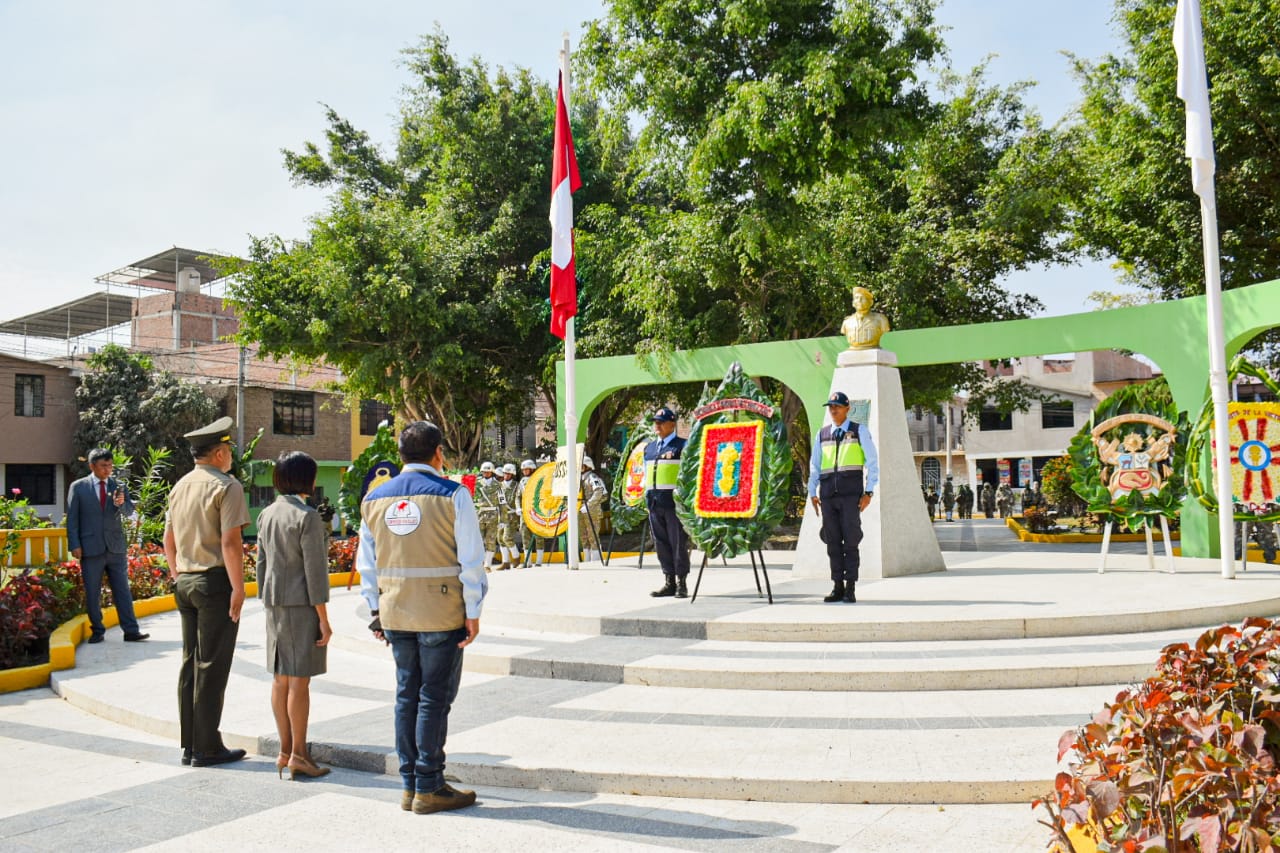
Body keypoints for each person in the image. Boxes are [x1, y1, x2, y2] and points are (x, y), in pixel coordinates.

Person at [356, 421, 487, 815]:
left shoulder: (375, 498)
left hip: (395, 612)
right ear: (438, 454)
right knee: (433, 697)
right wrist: (474, 610)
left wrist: (375, 611)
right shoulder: (453, 495)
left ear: (401, 456)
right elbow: (471, 560)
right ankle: (430, 785)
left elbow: (368, 564)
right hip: (441, 612)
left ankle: (410, 784)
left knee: (405, 695)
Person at [163, 416, 250, 767]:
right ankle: (208, 747)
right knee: (212, 665)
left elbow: (168, 540)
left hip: (184, 581)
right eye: (227, 451)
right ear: (217, 453)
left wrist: (177, 574)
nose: (230, 456)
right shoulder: (227, 486)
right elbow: (230, 542)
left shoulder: (180, 486)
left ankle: (190, 745)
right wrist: (239, 589)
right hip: (214, 582)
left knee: (190, 663)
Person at [256, 451, 332, 781]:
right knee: (299, 681)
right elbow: (315, 572)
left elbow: (260, 565)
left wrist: (267, 596)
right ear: (306, 479)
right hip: (301, 606)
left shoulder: (267, 514)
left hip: (274, 603)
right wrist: (324, 619)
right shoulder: (307, 516)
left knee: (280, 678)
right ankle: (299, 754)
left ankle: (285, 751)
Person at [66, 448, 148, 644]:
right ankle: (97, 630)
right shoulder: (79, 487)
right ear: (92, 466)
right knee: (93, 592)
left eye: (110, 466)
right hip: (90, 547)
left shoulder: (118, 486)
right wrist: (74, 544)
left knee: (123, 591)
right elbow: (72, 519)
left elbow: (129, 512)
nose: (108, 470)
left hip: (115, 548)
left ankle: (131, 631)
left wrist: (121, 504)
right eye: (104, 466)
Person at [808, 391, 879, 603]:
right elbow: (815, 466)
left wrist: (869, 492)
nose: (833, 410)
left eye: (837, 406)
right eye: (830, 406)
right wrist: (812, 492)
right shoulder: (822, 434)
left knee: (851, 541)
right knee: (832, 543)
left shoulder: (859, 432)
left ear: (847, 409)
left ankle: (850, 587)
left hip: (850, 497)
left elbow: (873, 463)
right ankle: (837, 585)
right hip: (828, 497)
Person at [644, 407, 690, 597]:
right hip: (654, 503)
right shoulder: (650, 448)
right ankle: (668, 580)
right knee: (661, 544)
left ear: (672, 424)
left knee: (678, 543)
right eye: (655, 422)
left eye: (661, 422)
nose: (657, 425)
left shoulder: (682, 446)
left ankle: (681, 582)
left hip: (673, 504)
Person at [515, 459, 545, 567]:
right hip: (525, 512)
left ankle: (539, 561)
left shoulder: (539, 479)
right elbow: (518, 497)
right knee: (525, 535)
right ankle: (528, 561)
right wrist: (518, 507)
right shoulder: (522, 481)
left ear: (532, 469)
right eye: (523, 470)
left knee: (538, 535)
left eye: (526, 469)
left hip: (536, 512)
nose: (524, 471)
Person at [474, 461, 502, 571]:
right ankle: (479, 563)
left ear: (492, 472)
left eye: (488, 472)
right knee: (478, 540)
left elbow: (502, 503)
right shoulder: (477, 484)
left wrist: (503, 520)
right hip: (479, 515)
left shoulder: (498, 485)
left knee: (491, 540)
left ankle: (487, 564)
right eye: (484, 472)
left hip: (493, 516)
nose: (486, 474)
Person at [579, 455, 607, 563]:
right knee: (584, 536)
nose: (580, 467)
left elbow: (599, 492)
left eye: (582, 465)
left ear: (588, 466)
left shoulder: (592, 477)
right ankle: (587, 559)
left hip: (592, 511)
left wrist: (589, 504)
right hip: (581, 510)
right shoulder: (581, 478)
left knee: (593, 536)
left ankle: (595, 560)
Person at [497, 463, 520, 569]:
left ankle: (516, 557)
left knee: (507, 537)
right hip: (501, 515)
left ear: (512, 474)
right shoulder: (499, 485)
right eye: (505, 473)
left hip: (511, 515)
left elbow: (518, 498)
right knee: (500, 538)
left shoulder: (516, 485)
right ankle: (505, 562)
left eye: (508, 473)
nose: (506, 475)